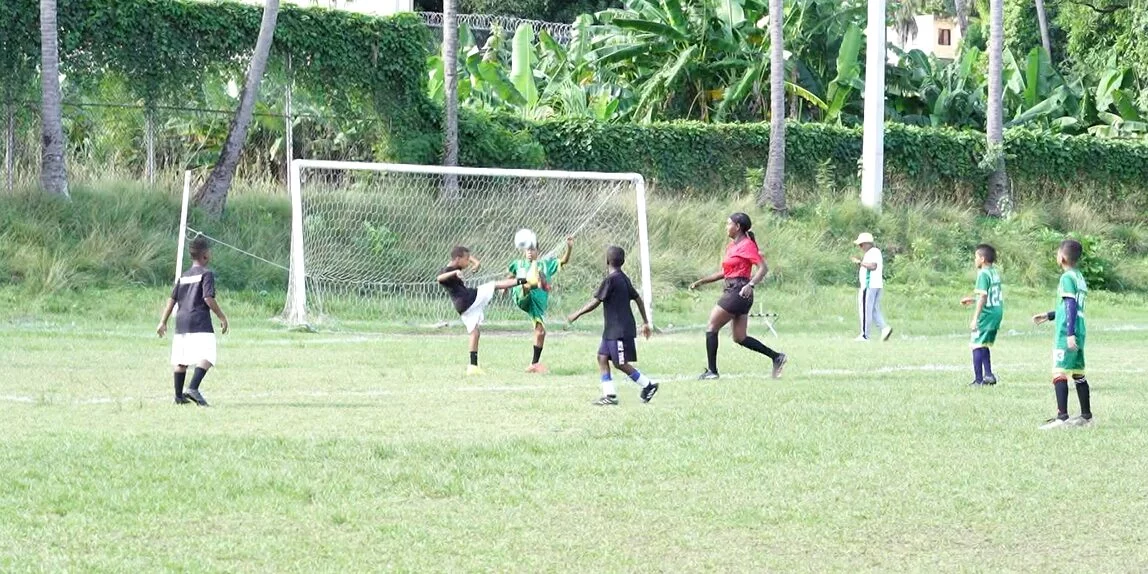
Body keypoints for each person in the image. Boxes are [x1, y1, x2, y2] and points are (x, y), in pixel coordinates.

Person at [689, 212, 787, 380]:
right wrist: (702, 281)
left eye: (729, 224)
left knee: (712, 327)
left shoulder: (747, 245)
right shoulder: (732, 247)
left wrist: (751, 284)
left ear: (738, 226)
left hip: (739, 291)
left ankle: (712, 371)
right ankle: (776, 357)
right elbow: (725, 272)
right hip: (735, 291)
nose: (726, 227)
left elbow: (763, 268)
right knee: (739, 337)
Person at [567, 246, 658, 406]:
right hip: (611, 331)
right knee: (602, 358)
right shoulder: (623, 278)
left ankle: (648, 385)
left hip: (619, 331)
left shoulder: (611, 280)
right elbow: (638, 299)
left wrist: (577, 313)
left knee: (620, 363)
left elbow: (596, 302)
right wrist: (645, 321)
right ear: (623, 262)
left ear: (607, 261)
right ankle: (609, 395)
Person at [157, 235, 229, 407]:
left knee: (181, 358)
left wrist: (163, 321)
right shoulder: (207, 274)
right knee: (208, 355)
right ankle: (193, 388)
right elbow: (207, 298)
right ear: (205, 255)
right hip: (199, 321)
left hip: (181, 322)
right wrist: (222, 316)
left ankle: (178, 396)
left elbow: (172, 299)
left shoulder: (184, 276)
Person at [437, 246, 527, 376]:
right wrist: (454, 273)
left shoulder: (456, 264)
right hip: (468, 299)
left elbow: (464, 258)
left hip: (462, 307)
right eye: (467, 259)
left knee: (475, 333)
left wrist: (476, 262)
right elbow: (439, 278)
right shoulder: (448, 270)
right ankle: (522, 280)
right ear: (458, 259)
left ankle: (473, 367)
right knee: (493, 285)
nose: (468, 262)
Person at [1033, 239, 1092, 429]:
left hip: (1068, 329)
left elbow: (1070, 305)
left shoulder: (1066, 278)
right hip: (1080, 327)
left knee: (1059, 371)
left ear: (1063, 257)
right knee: (1078, 372)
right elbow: (1069, 305)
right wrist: (1049, 315)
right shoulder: (1079, 277)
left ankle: (1062, 417)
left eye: (1058, 253)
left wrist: (1069, 333)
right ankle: (1086, 416)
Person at [507, 236, 573, 374]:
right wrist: (505, 287)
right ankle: (527, 286)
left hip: (536, 303)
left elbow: (564, 261)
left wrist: (569, 247)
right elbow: (511, 275)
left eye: (533, 249)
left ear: (538, 251)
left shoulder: (546, 264)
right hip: (522, 297)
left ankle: (534, 364)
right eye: (527, 250)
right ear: (524, 251)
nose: (530, 252)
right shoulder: (518, 264)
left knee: (541, 332)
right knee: (528, 282)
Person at [961, 244, 1003, 386]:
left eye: (976, 257)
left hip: (987, 314)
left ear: (982, 259)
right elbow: (990, 296)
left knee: (976, 344)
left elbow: (984, 297)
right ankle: (989, 375)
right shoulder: (994, 273)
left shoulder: (983, 274)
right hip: (996, 312)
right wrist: (973, 300)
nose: (975, 260)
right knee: (983, 343)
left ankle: (978, 380)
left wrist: (975, 318)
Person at [852, 232, 893, 341]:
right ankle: (884, 329)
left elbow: (873, 266)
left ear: (866, 244)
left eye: (861, 245)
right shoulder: (874, 252)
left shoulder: (873, 252)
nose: (860, 247)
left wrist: (860, 263)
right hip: (876, 285)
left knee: (865, 309)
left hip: (869, 285)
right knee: (874, 310)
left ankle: (864, 335)